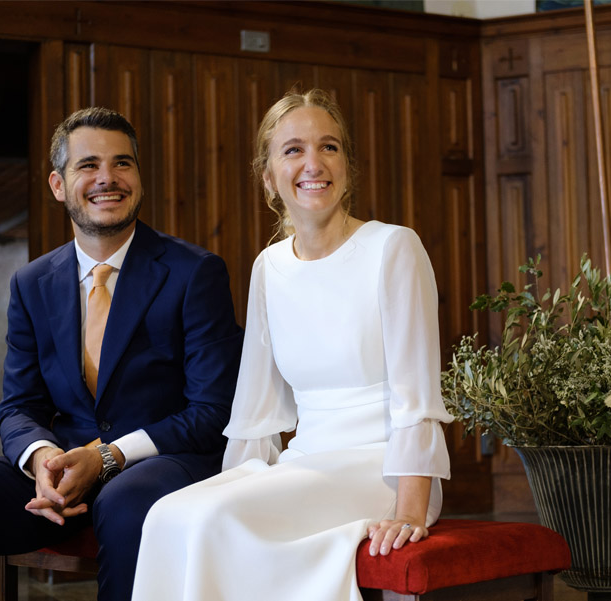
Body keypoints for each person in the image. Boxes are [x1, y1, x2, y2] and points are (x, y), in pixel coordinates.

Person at [0, 107, 243, 601]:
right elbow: (19, 406)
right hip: (62, 470)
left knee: (126, 502)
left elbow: (213, 411)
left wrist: (107, 457)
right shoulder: (31, 282)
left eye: (122, 163)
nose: (107, 178)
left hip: (164, 461)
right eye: (88, 165)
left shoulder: (195, 271)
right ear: (58, 184)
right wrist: (42, 458)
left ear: (139, 178)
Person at [132, 88, 453, 601]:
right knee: (170, 515)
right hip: (305, 463)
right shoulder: (268, 268)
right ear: (268, 176)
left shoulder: (393, 247)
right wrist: (236, 483)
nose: (314, 163)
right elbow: (256, 411)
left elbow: (416, 396)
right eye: (293, 149)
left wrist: (411, 508)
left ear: (347, 164)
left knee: (215, 518)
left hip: (383, 468)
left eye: (329, 147)